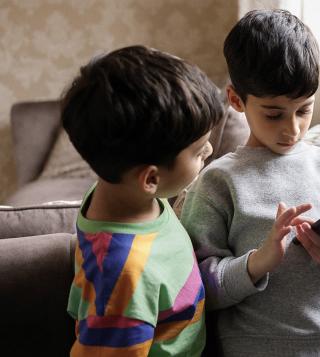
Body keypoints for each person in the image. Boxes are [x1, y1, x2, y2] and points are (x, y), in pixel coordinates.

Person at [179, 9, 320, 357]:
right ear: (236, 100)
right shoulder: (217, 181)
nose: (292, 129)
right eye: (274, 114)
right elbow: (200, 288)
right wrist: (258, 262)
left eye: (304, 110)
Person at [63, 45, 224, 356]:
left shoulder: (117, 194)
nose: (209, 152)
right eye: (199, 148)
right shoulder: (125, 275)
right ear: (150, 179)